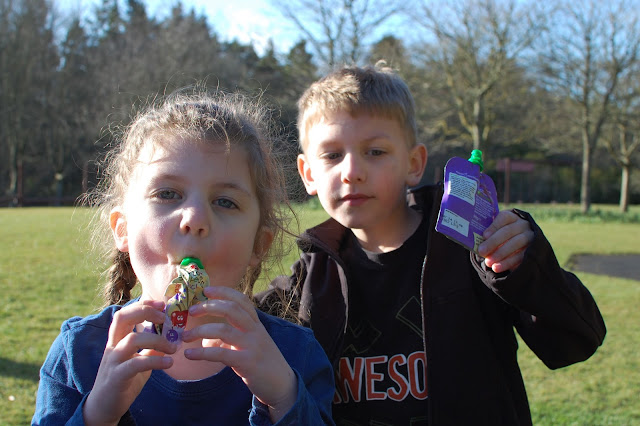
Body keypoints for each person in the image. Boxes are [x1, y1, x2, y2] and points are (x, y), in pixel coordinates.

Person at [255, 63, 606, 425]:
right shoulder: (308, 280)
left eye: (375, 151)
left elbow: (575, 341)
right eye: (332, 155)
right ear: (308, 174)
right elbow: (235, 341)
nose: (351, 172)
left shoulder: (472, 246)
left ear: (414, 163)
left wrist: (526, 266)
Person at [33, 88, 335, 425]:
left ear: (258, 245)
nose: (194, 218)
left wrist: (283, 399)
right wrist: (97, 414)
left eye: (225, 202)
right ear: (123, 229)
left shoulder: (294, 355)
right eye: (167, 194)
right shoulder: (78, 353)